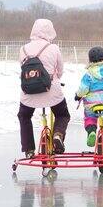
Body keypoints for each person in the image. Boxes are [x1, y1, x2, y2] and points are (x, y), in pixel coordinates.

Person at [17, 19, 70, 158]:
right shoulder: (54, 48)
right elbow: (60, 70)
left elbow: (23, 70)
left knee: (24, 116)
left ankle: (28, 149)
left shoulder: (23, 49)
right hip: (51, 91)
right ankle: (57, 135)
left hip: (28, 94)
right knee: (62, 114)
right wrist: (54, 78)